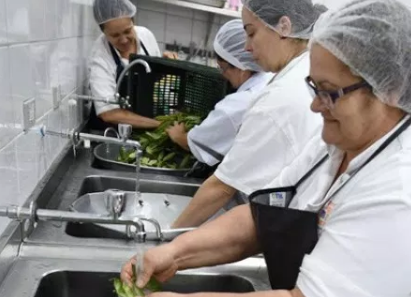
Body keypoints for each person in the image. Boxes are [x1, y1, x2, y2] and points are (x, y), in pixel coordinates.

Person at [113, 1, 411, 297]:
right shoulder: (338, 142)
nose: (316, 106)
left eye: (328, 92)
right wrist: (176, 251)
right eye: (314, 87)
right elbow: (269, 215)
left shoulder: (408, 192)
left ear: (385, 93)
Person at [169, 0, 325, 228]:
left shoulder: (280, 98)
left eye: (251, 33)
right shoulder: (306, 70)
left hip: (285, 226)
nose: (246, 47)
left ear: (284, 27)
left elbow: (221, 188)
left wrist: (165, 239)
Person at [166, 19, 272, 167]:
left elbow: (199, 146)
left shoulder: (237, 105)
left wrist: (178, 136)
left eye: (223, 68)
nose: (223, 75)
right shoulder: (268, 79)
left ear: (241, 67)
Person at [87, 0, 176, 129]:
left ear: (133, 21)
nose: (123, 40)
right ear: (104, 32)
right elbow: (108, 114)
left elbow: (154, 81)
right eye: (115, 35)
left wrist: (165, 65)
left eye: (128, 31)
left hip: (144, 126)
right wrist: (161, 125)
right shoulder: (100, 56)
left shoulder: (146, 36)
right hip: (110, 133)